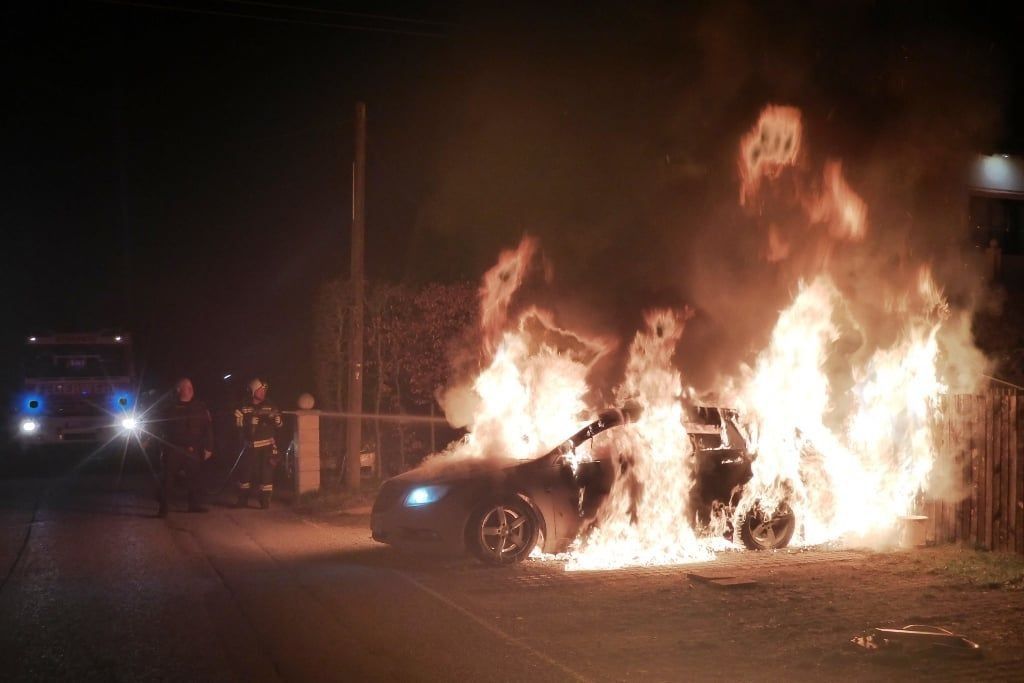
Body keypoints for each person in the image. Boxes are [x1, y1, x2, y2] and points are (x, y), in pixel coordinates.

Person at [158, 377, 213, 516]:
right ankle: (164, 508)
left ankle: (194, 504)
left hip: (193, 449)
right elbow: (160, 428)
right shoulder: (169, 408)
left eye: (191, 387)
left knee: (194, 477)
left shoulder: (200, 407)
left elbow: (207, 428)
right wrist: (160, 447)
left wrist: (209, 447)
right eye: (187, 387)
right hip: (173, 448)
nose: (191, 390)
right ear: (178, 390)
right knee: (167, 479)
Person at [234, 378, 283, 509]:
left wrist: (277, 420)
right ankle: (242, 500)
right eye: (260, 390)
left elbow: (279, 425)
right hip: (249, 446)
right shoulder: (244, 406)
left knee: (266, 474)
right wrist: (249, 422)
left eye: (264, 390)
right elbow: (237, 425)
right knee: (245, 473)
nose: (263, 392)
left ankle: (265, 501)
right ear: (253, 391)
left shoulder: (270, 405)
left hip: (267, 445)